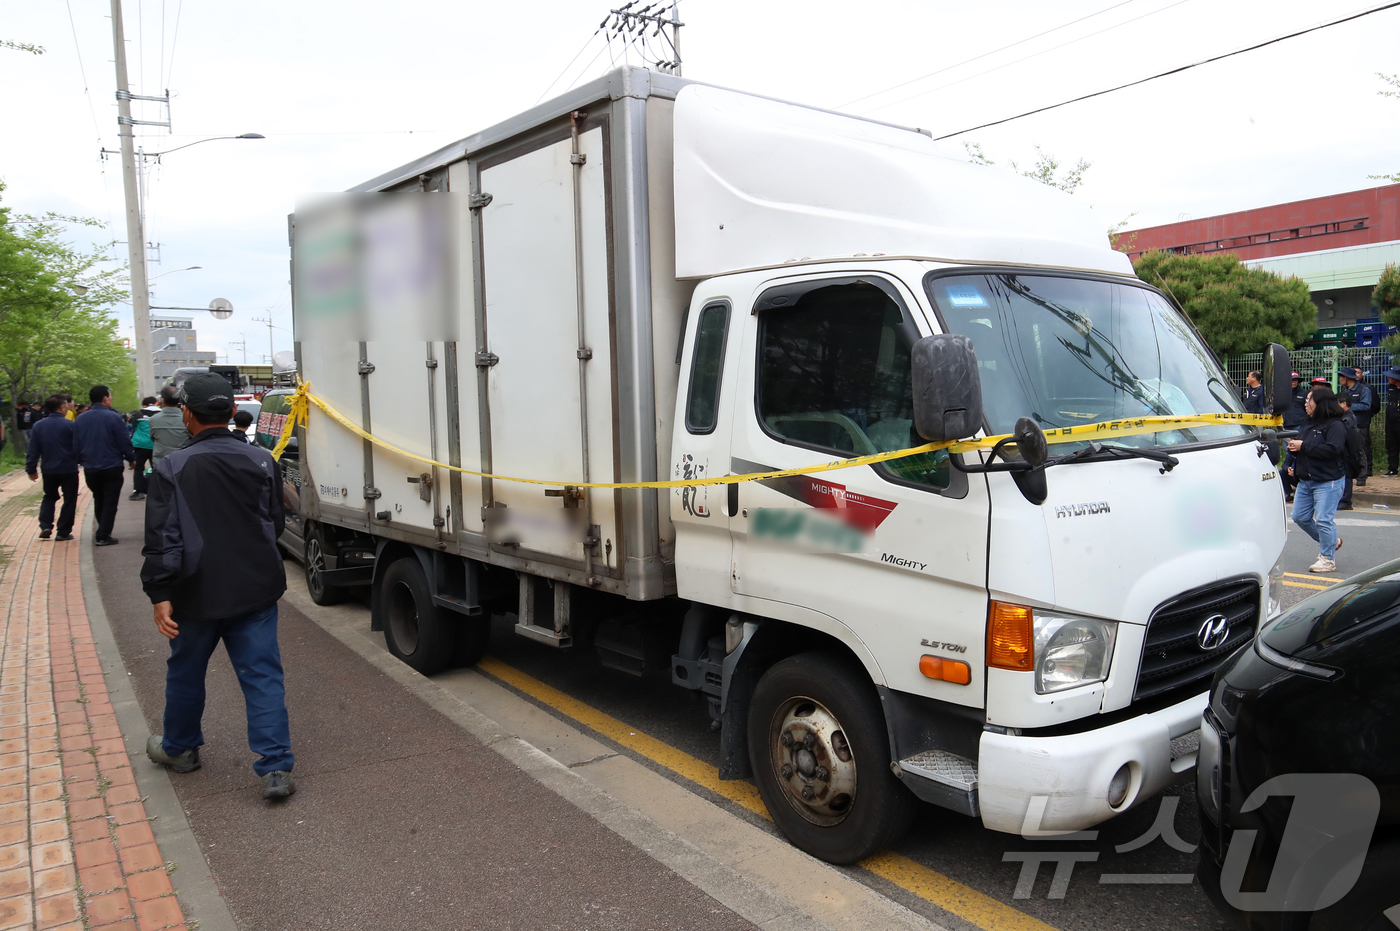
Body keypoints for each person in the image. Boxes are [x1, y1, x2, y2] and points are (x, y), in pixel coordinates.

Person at [141, 373, 295, 801]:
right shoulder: (262, 460)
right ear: (232, 412)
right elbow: (275, 523)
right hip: (255, 588)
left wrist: (160, 593)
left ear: (186, 414)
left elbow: (163, 537)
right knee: (263, 675)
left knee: (186, 671)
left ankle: (180, 748)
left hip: (194, 592)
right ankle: (275, 768)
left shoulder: (172, 466)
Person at [1284, 385, 1348, 573]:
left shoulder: (1335, 425)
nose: (1306, 403)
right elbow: (1301, 448)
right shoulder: (1308, 423)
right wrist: (1293, 463)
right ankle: (1331, 541)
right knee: (1299, 517)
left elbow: (1333, 449)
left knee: (1323, 520)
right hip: (1306, 480)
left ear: (1321, 403)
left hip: (1328, 480)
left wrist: (1303, 446)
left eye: (1309, 400)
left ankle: (1328, 559)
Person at [74, 385, 135, 546]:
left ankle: (102, 528)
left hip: (91, 466)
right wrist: (131, 458)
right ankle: (103, 534)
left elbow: (76, 442)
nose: (111, 399)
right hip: (111, 465)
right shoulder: (113, 417)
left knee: (99, 497)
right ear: (105, 398)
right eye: (110, 396)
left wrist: (79, 460)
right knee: (110, 501)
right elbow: (123, 440)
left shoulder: (81, 418)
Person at [25, 396, 79, 541]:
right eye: (66, 405)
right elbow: (79, 447)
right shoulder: (71, 425)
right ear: (62, 407)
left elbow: (33, 449)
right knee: (70, 499)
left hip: (48, 468)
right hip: (68, 468)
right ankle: (63, 531)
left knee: (49, 496)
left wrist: (31, 468)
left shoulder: (38, 426)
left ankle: (46, 525)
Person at [1338, 367, 1374, 487]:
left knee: (1360, 450)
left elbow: (1366, 405)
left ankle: (1362, 475)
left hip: (1360, 424)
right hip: (1346, 424)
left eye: (1342, 376)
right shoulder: (1344, 390)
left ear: (1348, 378)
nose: (1340, 379)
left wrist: (1348, 406)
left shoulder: (1364, 389)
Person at [129, 396, 160, 501]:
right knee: (157, 468)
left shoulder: (138, 414)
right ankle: (156, 490)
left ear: (144, 405)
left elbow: (133, 427)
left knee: (138, 468)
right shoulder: (161, 413)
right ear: (156, 403)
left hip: (140, 444)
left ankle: (138, 491)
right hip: (156, 443)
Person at [149, 386, 191, 463]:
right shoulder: (188, 419)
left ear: (162, 400)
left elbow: (152, 438)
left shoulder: (154, 419)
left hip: (161, 462)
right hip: (182, 462)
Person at [1385, 366, 1400, 476]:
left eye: (1391, 376)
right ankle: (1392, 469)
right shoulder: (1390, 387)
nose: (1388, 377)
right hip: (1390, 421)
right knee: (1391, 445)